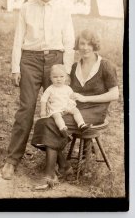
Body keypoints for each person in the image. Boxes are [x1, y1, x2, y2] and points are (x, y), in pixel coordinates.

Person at [1, 0, 75, 180]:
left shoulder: (63, 8)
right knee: (26, 109)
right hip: (30, 61)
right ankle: (12, 160)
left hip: (55, 61)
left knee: (55, 109)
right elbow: (18, 39)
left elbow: (69, 41)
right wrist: (15, 68)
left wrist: (66, 70)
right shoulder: (26, 8)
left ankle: (60, 163)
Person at [31, 29, 119, 190]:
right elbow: (65, 90)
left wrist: (86, 98)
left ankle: (50, 175)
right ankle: (64, 167)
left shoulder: (105, 65)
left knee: (52, 124)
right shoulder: (74, 67)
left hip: (95, 111)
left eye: (89, 44)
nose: (85, 48)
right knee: (44, 122)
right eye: (82, 44)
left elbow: (115, 94)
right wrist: (55, 104)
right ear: (77, 46)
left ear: (95, 46)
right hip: (73, 108)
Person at [40, 64, 91, 139]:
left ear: (65, 77)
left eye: (61, 76)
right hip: (56, 108)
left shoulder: (67, 88)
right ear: (51, 78)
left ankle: (81, 124)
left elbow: (71, 98)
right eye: (55, 77)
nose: (58, 79)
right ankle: (63, 129)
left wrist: (70, 105)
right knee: (57, 116)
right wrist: (43, 111)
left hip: (66, 107)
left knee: (76, 111)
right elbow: (43, 100)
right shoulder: (50, 89)